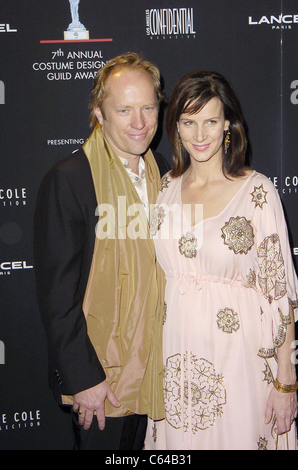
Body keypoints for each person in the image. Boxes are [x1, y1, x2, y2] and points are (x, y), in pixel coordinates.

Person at [145, 71, 298, 450]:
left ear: (227, 123)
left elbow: (279, 293)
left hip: (240, 360)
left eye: (211, 121)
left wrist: (286, 379)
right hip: (176, 361)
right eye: (189, 122)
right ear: (176, 127)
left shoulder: (256, 191)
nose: (200, 136)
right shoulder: (165, 187)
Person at [34, 52, 170, 450]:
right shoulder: (70, 179)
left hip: (156, 368)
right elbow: (57, 295)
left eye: (148, 107)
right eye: (124, 109)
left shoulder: (162, 169)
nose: (140, 122)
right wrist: (83, 378)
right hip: (102, 381)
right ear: (98, 112)